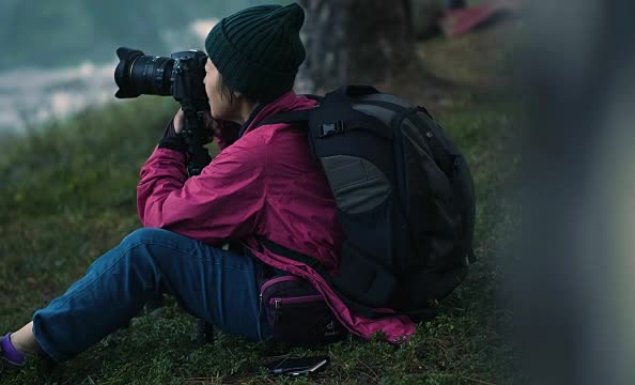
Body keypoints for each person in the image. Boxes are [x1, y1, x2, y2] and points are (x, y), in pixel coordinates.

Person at [0, 3, 415, 368]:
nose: (202, 76)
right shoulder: (302, 113)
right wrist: (228, 131)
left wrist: (169, 146)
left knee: (147, 250)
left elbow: (163, 220)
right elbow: (265, 197)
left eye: (211, 66)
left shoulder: (261, 154)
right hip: (345, 283)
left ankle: (20, 350)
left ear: (236, 83)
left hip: (307, 305)